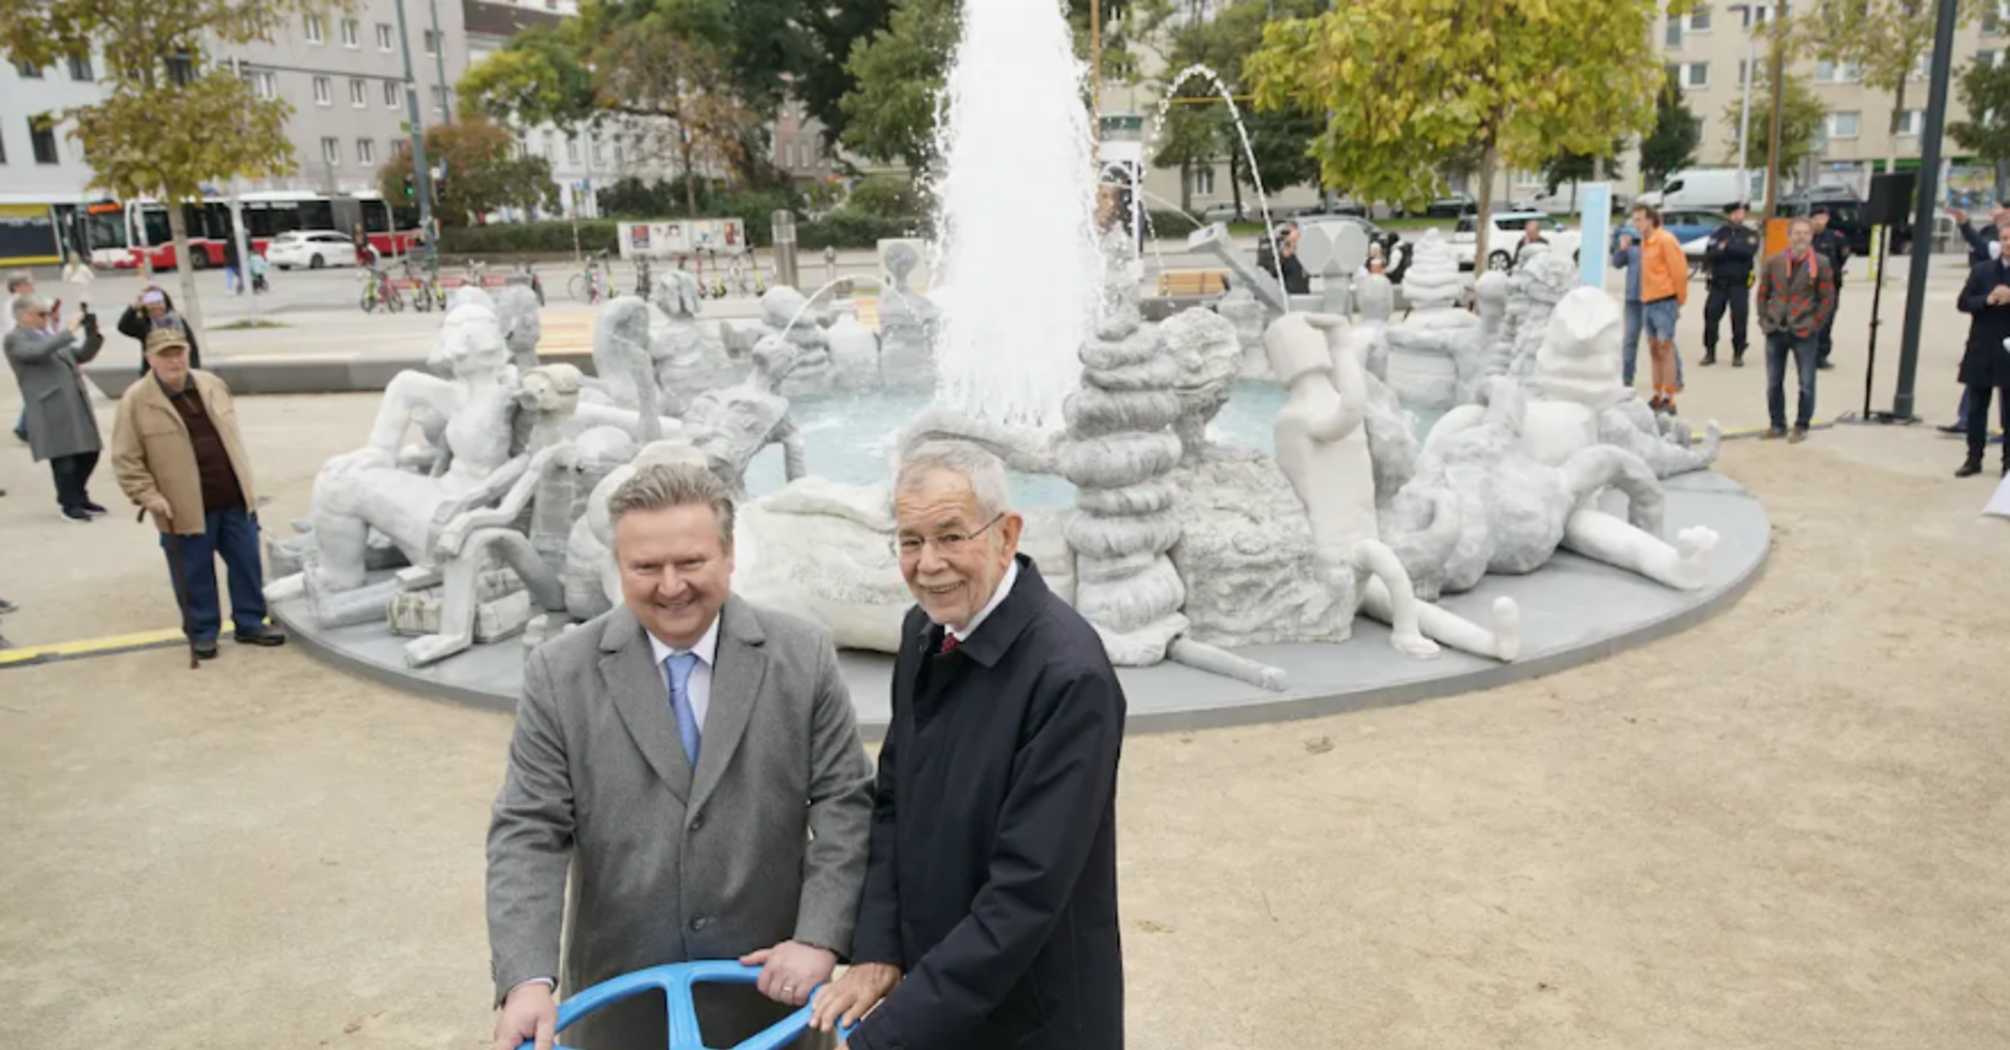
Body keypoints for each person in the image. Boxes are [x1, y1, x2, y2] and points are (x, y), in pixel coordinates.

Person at [486, 460, 874, 1050]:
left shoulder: (804, 655)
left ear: (729, 553)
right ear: (620, 566)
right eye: (646, 566)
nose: (671, 586)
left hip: (769, 998)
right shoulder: (558, 673)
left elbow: (847, 806)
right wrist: (526, 980)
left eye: (691, 562)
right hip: (621, 1003)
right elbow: (528, 831)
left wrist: (819, 938)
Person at [811, 441, 1126, 1050]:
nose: (928, 564)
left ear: (1007, 535)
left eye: (952, 537)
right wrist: (877, 946)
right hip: (940, 994)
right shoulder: (926, 630)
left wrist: (892, 1034)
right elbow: (894, 798)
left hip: (1031, 1017)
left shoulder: (1068, 676)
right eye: (909, 540)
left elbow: (1025, 894)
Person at [109, 328, 287, 657]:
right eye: (165, 354)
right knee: (193, 573)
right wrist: (148, 495)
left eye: (179, 352)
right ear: (149, 359)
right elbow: (125, 458)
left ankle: (250, 621)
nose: (174, 359)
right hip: (183, 506)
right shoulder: (137, 400)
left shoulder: (211, 384)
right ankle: (203, 631)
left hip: (233, 496)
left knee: (247, 564)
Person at [5, 293, 105, 523]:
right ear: (24, 316)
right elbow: (36, 353)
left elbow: (80, 355)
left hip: (73, 401)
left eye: (48, 314)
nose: (47, 318)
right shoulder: (15, 338)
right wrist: (67, 331)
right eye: (41, 314)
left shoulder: (49, 336)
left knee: (89, 452)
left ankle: (80, 496)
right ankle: (69, 503)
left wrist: (92, 333)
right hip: (49, 405)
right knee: (64, 458)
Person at [1754, 218, 1837, 444]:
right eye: (1796, 233)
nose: (1801, 237)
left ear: (1811, 236)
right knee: (1773, 382)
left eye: (1805, 233)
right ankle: (1777, 424)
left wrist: (1815, 324)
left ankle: (1801, 425)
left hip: (1804, 330)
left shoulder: (1820, 263)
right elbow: (1763, 293)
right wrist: (1764, 320)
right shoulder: (1774, 261)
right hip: (1776, 328)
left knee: (1806, 383)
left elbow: (1827, 298)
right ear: (1789, 236)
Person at [1954, 224, 2010, 478]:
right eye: (2005, 238)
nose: (2008, 243)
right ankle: (1973, 457)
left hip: (2008, 349)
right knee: (1977, 407)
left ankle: (2008, 462)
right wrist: (1986, 300)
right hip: (1982, 347)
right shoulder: (1983, 270)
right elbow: (1964, 302)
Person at [1632, 204, 1689, 414]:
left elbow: (1679, 271)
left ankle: (1669, 396)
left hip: (1665, 300)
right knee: (1653, 348)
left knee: (1666, 347)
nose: (1636, 224)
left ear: (1650, 220)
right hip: (1648, 300)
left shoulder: (1665, 240)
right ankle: (1656, 392)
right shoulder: (1645, 243)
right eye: (1634, 220)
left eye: (1639, 219)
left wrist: (1679, 299)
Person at [1701, 202, 1760, 367]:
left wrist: (1726, 247)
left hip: (1739, 284)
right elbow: (1711, 253)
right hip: (1718, 284)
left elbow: (1748, 251)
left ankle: (1738, 353)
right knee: (1711, 316)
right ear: (1728, 215)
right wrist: (1730, 249)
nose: (1738, 216)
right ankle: (1710, 352)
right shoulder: (1718, 233)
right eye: (1735, 213)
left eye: (1741, 213)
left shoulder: (1750, 234)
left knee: (1739, 319)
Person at [5, 269, 49, 442]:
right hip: (24, 349)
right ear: (17, 287)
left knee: (37, 387)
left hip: (32, 345)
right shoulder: (15, 306)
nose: (32, 287)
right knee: (35, 387)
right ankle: (23, 426)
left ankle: (25, 425)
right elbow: (15, 329)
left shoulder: (29, 301)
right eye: (28, 284)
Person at [118, 287, 202, 375]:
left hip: (181, 371)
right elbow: (123, 327)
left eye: (159, 303)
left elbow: (192, 347)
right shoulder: (144, 324)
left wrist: (194, 371)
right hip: (153, 373)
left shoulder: (178, 321)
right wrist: (134, 307)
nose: (156, 307)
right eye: (151, 304)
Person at [1809, 206, 1851, 370]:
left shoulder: (1836, 237)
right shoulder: (1805, 237)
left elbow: (1843, 255)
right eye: (1816, 218)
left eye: (1822, 218)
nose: (1819, 221)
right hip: (1808, 284)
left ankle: (1821, 355)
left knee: (1826, 320)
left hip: (1830, 284)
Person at [1610, 228, 1647, 386]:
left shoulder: (1657, 245)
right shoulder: (1631, 250)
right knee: (1630, 339)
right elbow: (1617, 263)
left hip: (1653, 299)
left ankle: (1671, 378)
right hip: (1633, 300)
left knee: (1661, 341)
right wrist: (1621, 247)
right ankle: (1626, 378)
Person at [1256, 221, 1310, 295]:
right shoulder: (1270, 250)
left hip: (1302, 296)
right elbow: (1268, 273)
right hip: (1282, 298)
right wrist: (1285, 254)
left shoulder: (1301, 254)